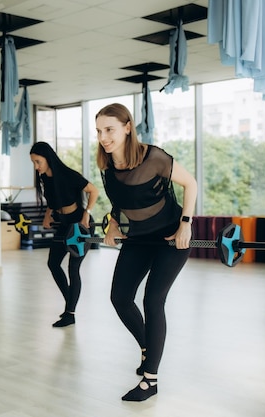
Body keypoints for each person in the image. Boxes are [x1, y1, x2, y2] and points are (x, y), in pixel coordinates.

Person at [95, 103, 197, 402]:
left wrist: (186, 225)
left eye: (109, 129)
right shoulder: (108, 165)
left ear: (128, 127)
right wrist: (113, 224)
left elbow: (190, 183)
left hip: (170, 237)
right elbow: (120, 199)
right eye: (99, 131)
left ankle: (150, 380)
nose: (103, 137)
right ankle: (146, 346)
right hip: (139, 238)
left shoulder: (155, 157)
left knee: (153, 300)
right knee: (120, 298)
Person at [29, 141, 99, 328]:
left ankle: (70, 313)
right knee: (53, 263)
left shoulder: (68, 175)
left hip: (80, 226)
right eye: (34, 163)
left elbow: (94, 190)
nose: (36, 167)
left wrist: (87, 213)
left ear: (47, 158)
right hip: (65, 224)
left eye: (38, 162)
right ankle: (70, 302)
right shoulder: (46, 179)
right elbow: (53, 201)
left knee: (73, 269)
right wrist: (47, 216)